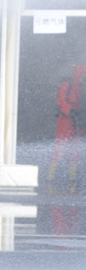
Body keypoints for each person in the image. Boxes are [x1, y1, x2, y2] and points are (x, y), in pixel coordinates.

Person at [47, 64, 86, 192]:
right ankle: (50, 176)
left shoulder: (82, 88)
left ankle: (72, 178)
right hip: (65, 121)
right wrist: (70, 111)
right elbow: (61, 101)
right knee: (60, 146)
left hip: (77, 122)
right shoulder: (66, 85)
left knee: (75, 149)